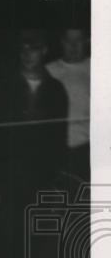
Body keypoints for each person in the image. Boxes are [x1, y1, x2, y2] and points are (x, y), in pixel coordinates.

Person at [0, 30, 69, 258]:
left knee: (37, 245)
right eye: (24, 48)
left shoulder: (56, 90)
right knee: (5, 242)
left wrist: (56, 179)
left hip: (41, 177)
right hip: (7, 176)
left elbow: (59, 139)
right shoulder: (3, 85)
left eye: (34, 48)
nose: (28, 54)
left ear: (44, 51)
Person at [45, 28, 90, 180]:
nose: (73, 46)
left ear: (86, 42)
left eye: (78, 41)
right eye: (69, 41)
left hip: (87, 148)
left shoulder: (99, 67)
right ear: (61, 43)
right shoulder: (48, 70)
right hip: (54, 150)